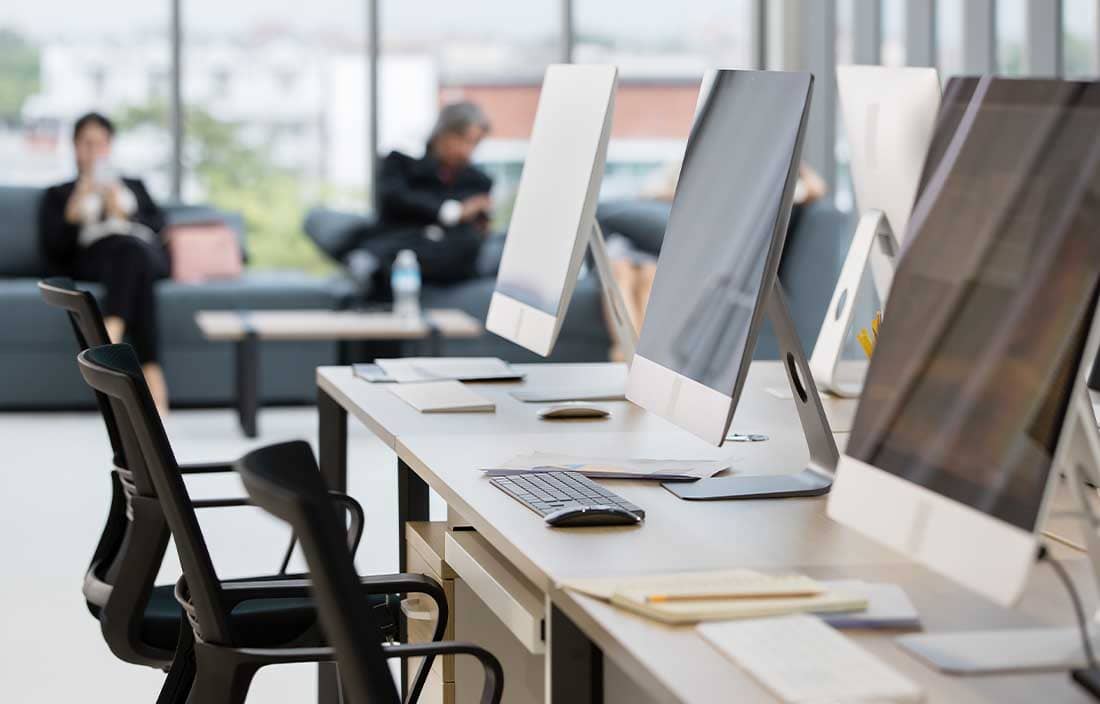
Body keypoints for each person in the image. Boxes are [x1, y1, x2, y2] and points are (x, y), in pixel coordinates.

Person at [602, 162, 827, 360]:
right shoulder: (685, 173)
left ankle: (639, 350)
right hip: (635, 240)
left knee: (649, 277)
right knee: (621, 272)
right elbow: (649, 195)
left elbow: (817, 189)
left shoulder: (755, 192)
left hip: (664, 251)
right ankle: (623, 348)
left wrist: (800, 165)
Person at [39, 112, 171, 413]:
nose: (93, 151)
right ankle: (153, 377)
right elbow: (54, 250)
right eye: (86, 143)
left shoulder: (133, 186)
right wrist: (74, 210)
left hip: (142, 251)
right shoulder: (58, 194)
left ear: (110, 147)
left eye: (100, 144)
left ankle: (108, 338)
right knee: (131, 265)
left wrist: (121, 211)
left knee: (131, 252)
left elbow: (159, 229)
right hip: (97, 257)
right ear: (74, 147)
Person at [344, 102, 494, 300]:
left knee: (466, 243)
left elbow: (476, 232)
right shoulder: (401, 165)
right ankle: (377, 268)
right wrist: (456, 212)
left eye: (475, 144)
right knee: (394, 246)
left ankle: (380, 265)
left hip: (445, 254)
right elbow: (395, 200)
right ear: (443, 133)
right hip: (401, 240)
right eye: (463, 140)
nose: (467, 151)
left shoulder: (478, 182)